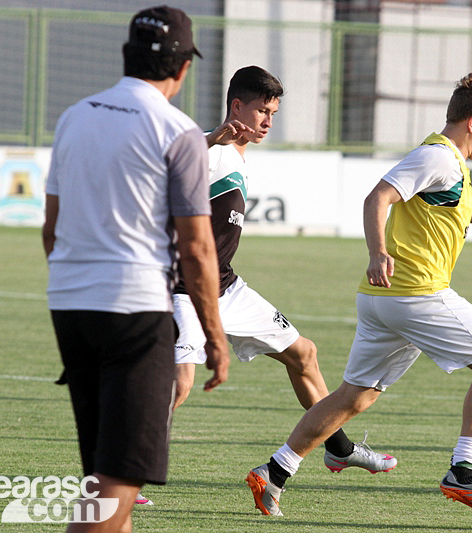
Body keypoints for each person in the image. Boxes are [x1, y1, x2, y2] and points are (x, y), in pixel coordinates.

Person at [246, 72, 472, 517]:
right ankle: (464, 474)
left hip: (384, 300)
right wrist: (378, 251)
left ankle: (275, 470)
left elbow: (464, 205)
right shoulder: (438, 157)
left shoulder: (450, 165)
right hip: (414, 293)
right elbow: (378, 196)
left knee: (354, 397)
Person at [42, 6, 230, 532]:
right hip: (135, 311)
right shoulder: (178, 130)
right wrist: (215, 338)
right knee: (119, 482)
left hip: (71, 306)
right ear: (183, 68)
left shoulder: (74, 115)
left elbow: (51, 229)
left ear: (127, 54)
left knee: (104, 474)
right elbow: (196, 249)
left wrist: (75, 284)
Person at [169, 65, 397, 486]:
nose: (269, 121)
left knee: (304, 353)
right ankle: (119, 474)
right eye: (261, 111)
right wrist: (209, 140)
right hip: (184, 290)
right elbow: (164, 165)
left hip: (226, 287)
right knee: (180, 384)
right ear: (237, 106)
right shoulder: (212, 151)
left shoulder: (234, 156)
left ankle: (338, 448)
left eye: (273, 112)